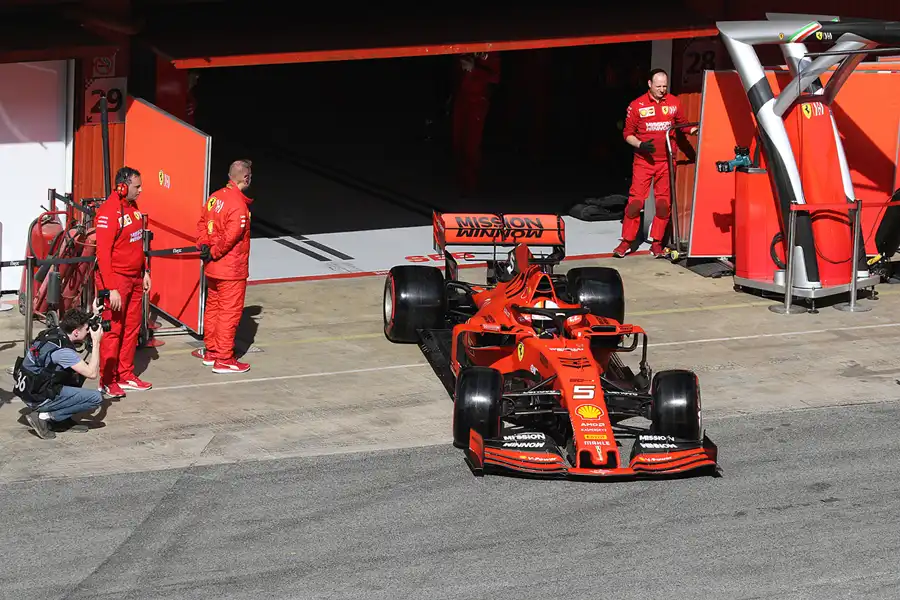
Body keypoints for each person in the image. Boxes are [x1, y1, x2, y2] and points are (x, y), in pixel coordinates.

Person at [614, 68, 698, 258]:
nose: (662, 89)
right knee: (635, 203)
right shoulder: (637, 106)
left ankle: (657, 243)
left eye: (665, 86)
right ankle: (626, 241)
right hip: (643, 162)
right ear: (650, 84)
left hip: (667, 162)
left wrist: (693, 130)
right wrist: (641, 144)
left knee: (663, 204)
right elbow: (627, 134)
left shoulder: (674, 102)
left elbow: (682, 125)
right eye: (658, 86)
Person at [94, 166, 152, 398]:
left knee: (131, 329)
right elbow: (103, 254)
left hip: (135, 278)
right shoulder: (109, 212)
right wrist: (111, 289)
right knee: (113, 330)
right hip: (117, 279)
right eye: (137, 186)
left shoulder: (133, 208)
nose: (141, 190)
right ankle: (107, 379)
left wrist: (144, 271)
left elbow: (138, 244)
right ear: (122, 186)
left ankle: (125, 373)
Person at [191, 159, 253, 374]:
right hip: (231, 269)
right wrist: (215, 251)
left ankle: (212, 350)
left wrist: (204, 247)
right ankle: (224, 358)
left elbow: (201, 224)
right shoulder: (239, 205)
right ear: (245, 178)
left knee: (214, 308)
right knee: (229, 313)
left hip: (213, 267)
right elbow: (230, 237)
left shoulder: (215, 197)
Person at [12, 305, 105, 439]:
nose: (89, 332)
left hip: (29, 388)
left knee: (75, 374)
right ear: (76, 332)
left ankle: (61, 420)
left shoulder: (55, 333)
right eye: (86, 329)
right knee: (96, 398)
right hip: (38, 396)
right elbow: (92, 373)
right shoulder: (63, 352)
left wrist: (94, 314)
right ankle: (45, 417)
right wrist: (96, 342)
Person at [451, 52, 501, 195]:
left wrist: (474, 69)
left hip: (478, 101)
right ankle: (459, 183)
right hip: (461, 98)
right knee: (458, 141)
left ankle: (469, 186)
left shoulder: (490, 51)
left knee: (471, 144)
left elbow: (495, 77)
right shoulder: (463, 48)